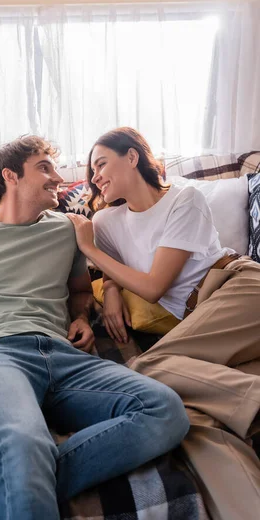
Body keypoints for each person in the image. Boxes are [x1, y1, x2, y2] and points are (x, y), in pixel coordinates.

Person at [0, 135, 188, 520]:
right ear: (10, 176)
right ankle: (22, 474)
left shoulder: (69, 230)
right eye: (45, 167)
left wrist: (80, 317)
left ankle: (6, 488)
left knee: (165, 410)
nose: (58, 177)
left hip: (64, 356)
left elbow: (79, 292)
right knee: (26, 441)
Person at [66, 127, 260, 520]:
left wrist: (87, 248)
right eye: (92, 172)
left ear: (133, 156)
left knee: (146, 368)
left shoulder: (183, 199)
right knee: (195, 418)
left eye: (101, 163)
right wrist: (114, 289)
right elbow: (115, 265)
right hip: (203, 322)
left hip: (239, 289)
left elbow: (155, 286)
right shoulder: (106, 222)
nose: (96, 176)